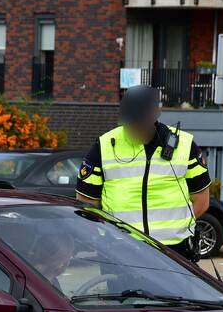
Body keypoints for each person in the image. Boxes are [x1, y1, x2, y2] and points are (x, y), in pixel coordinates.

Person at [75, 85, 211, 261]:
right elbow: (86, 203)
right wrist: (104, 238)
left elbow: (202, 200)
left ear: (154, 116)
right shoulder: (105, 145)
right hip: (120, 250)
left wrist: (176, 230)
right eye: (129, 123)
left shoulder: (185, 146)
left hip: (174, 253)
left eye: (139, 123)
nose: (133, 128)